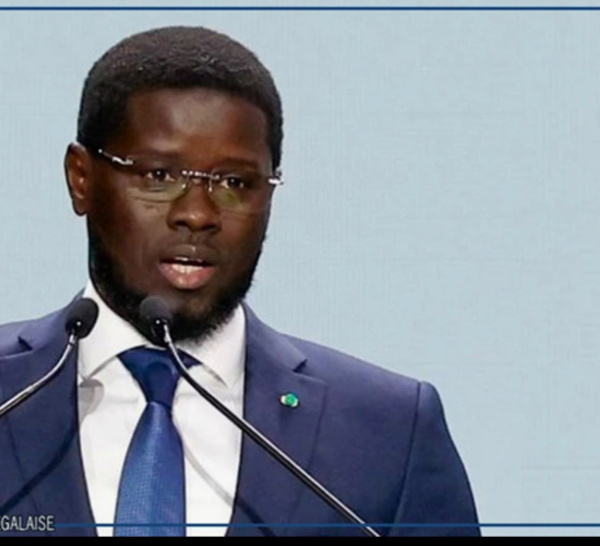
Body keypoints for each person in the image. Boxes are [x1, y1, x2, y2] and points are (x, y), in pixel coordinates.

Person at [0, 26, 479, 537]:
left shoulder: (389, 434)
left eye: (234, 183)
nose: (197, 214)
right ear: (81, 178)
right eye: (159, 176)